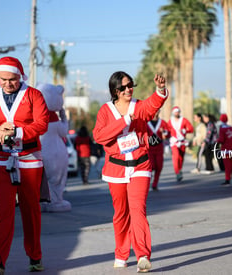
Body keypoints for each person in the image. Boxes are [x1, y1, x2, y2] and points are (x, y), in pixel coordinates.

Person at [0, 57, 49, 274]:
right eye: (4, 79)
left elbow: (42, 123)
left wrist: (16, 131)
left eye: (13, 79)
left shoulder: (34, 95)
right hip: (1, 160)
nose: (8, 83)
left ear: (21, 76)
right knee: (4, 213)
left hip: (29, 159)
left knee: (31, 210)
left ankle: (35, 257)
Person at [92, 71, 168, 273]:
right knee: (121, 213)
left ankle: (143, 255)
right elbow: (100, 136)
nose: (128, 89)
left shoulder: (139, 105)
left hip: (140, 166)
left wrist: (160, 90)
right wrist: (125, 120)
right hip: (116, 168)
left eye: (130, 85)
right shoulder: (105, 111)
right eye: (123, 87)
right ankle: (121, 254)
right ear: (114, 91)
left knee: (138, 209)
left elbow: (152, 106)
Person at [168, 106, 194, 182]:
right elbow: (167, 130)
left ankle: (180, 169)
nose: (177, 113)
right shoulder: (170, 121)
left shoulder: (184, 120)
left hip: (182, 141)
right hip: (174, 142)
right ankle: (177, 173)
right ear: (173, 113)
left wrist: (185, 130)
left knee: (181, 158)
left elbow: (191, 129)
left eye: (178, 112)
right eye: (175, 112)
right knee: (175, 157)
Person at [147, 109, 170, 191]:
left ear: (159, 112)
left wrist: (164, 132)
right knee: (151, 166)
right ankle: (148, 179)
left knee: (159, 166)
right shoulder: (146, 122)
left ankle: (155, 184)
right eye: (154, 111)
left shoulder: (162, 122)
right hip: (149, 147)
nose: (155, 113)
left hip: (159, 146)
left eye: (157, 111)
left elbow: (168, 132)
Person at [217, 114, 232, 186]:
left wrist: (217, 141)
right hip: (231, 148)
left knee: (227, 165)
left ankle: (227, 179)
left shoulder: (222, 128)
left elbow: (221, 139)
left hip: (225, 149)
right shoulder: (231, 128)